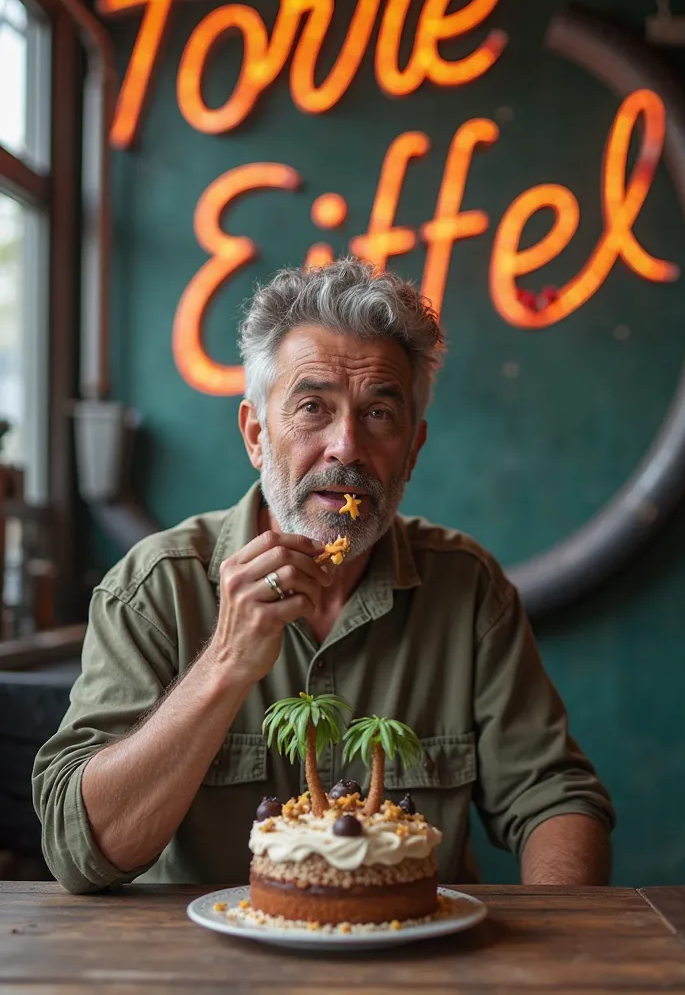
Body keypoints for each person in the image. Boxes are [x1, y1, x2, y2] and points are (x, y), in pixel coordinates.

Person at [33, 258, 614, 894]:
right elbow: (79, 854)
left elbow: (553, 797)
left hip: (414, 964)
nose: (346, 446)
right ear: (256, 434)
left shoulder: (469, 589)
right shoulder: (152, 587)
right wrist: (224, 663)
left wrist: (562, 944)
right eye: (313, 407)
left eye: (380, 414)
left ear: (413, 450)